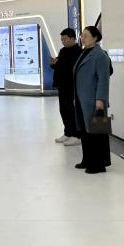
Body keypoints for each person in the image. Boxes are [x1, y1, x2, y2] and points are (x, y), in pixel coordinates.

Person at [73, 26, 112, 174]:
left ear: (95, 38)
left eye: (86, 36)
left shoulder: (100, 55)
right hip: (82, 99)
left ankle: (99, 164)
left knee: (97, 132)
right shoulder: (84, 52)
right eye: (82, 36)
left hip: (93, 99)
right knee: (85, 131)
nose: (82, 38)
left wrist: (100, 99)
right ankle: (87, 160)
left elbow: (103, 79)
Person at [51, 28, 83, 146]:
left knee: (72, 111)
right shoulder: (63, 51)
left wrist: (59, 64)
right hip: (62, 85)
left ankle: (76, 135)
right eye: (61, 39)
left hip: (72, 86)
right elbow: (59, 66)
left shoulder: (79, 52)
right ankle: (68, 132)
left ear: (73, 38)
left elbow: (71, 68)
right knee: (63, 110)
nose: (63, 41)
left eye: (64, 39)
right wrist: (53, 64)